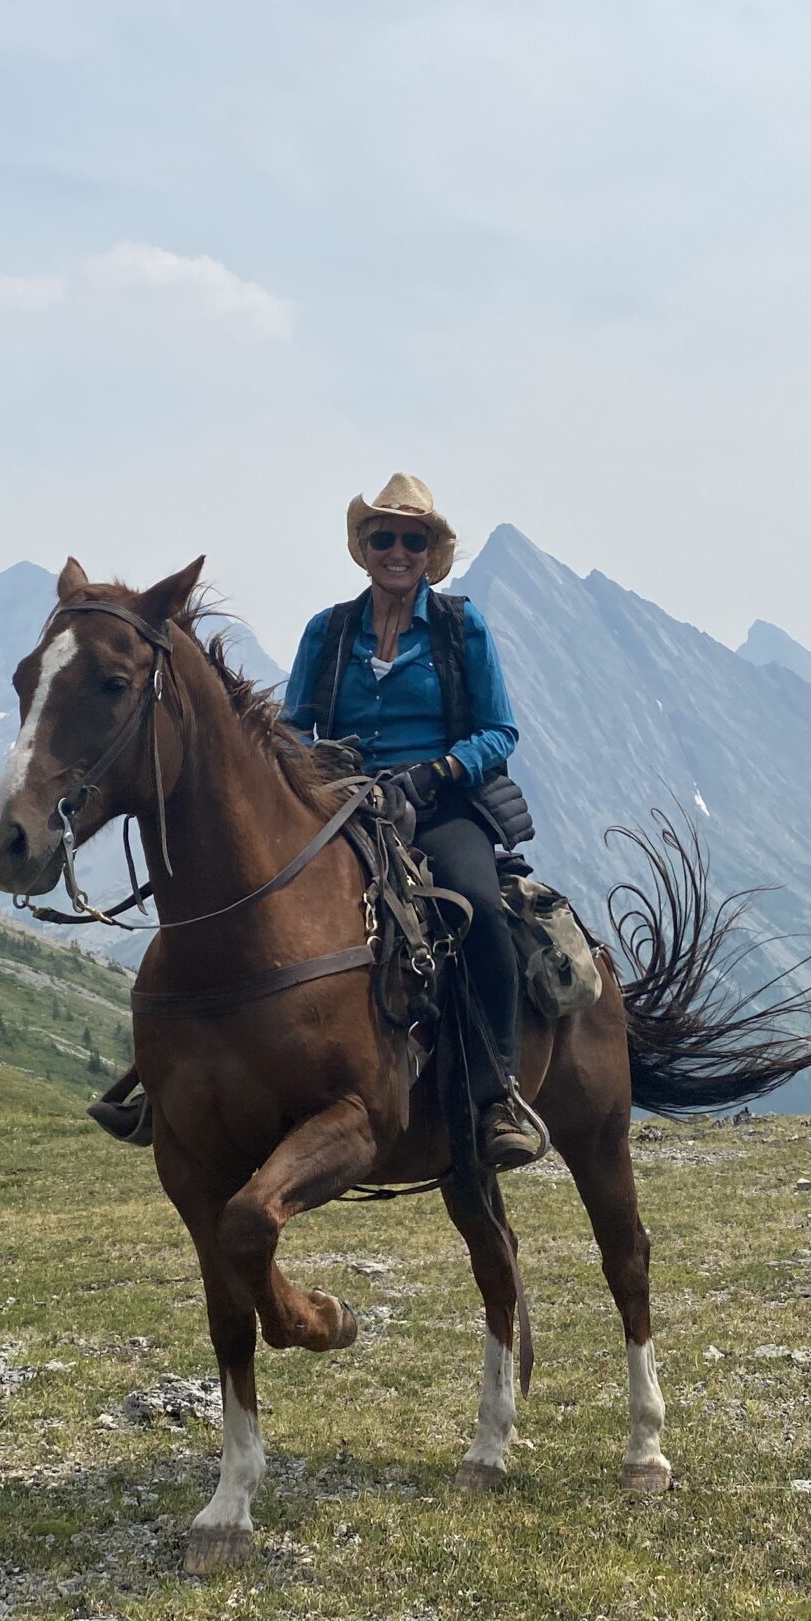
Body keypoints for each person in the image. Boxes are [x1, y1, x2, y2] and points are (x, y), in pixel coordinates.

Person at [281, 473, 548, 1172]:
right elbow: (289, 727)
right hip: (340, 804)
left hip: (437, 805)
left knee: (480, 908)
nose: (397, 550)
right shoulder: (328, 631)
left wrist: (439, 772)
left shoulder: (463, 627)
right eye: (383, 537)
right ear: (362, 547)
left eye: (412, 539)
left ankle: (498, 1098)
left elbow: (500, 731)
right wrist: (310, 764)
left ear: (430, 551)